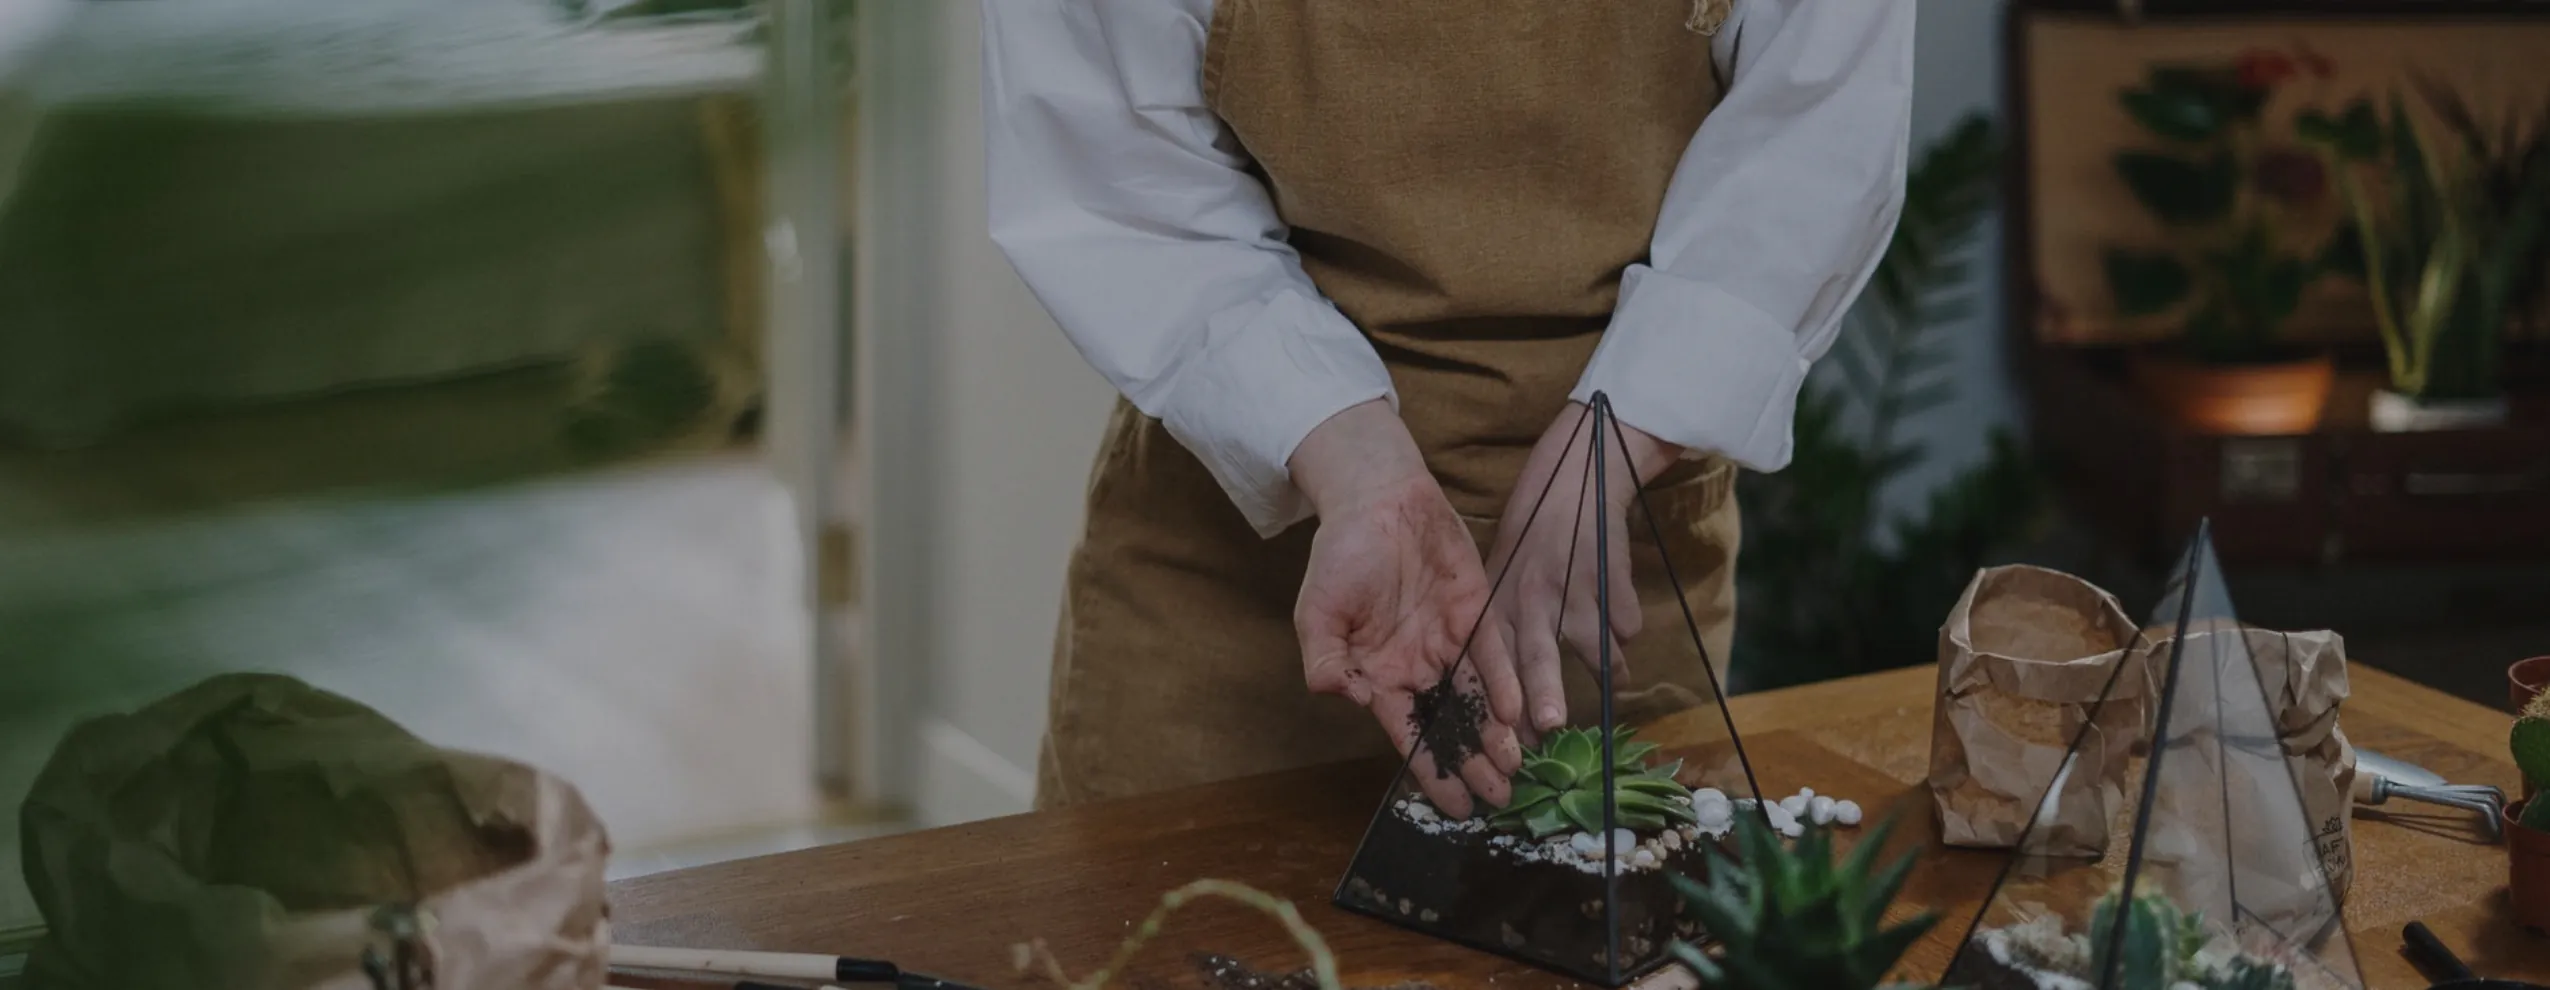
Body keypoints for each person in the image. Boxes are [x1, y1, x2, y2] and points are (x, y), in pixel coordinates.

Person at [984, 0, 1912, 815]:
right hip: (1230, 594)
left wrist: (1622, 435)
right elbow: (1119, 175)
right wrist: (1352, 462)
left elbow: (1816, 139)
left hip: (1607, 575)